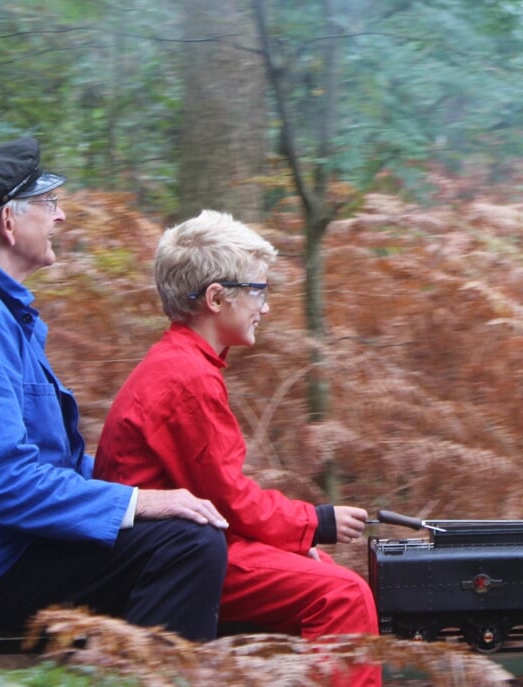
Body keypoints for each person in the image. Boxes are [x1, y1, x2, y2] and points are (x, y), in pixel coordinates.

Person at [0, 137, 230, 642]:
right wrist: (136, 504)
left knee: (183, 530)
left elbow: (42, 463)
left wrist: (139, 491)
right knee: (188, 546)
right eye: (49, 204)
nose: (60, 218)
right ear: (8, 224)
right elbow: (2, 482)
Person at [95, 210, 380, 687]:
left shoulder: (186, 364)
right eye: (258, 291)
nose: (265, 308)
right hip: (170, 558)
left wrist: (301, 540)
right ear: (215, 298)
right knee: (342, 595)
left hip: (186, 541)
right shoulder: (185, 380)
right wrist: (316, 522)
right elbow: (228, 500)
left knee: (324, 572)